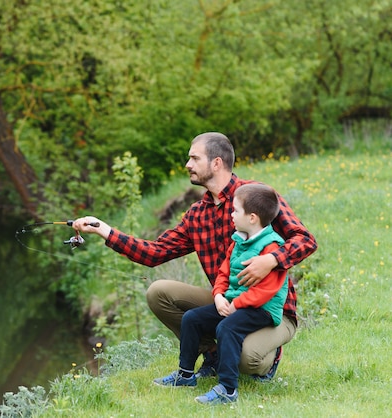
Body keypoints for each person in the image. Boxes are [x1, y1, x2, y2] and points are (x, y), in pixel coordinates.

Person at [72, 132, 317, 382]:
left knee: (247, 360)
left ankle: (269, 357)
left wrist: (271, 260)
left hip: (270, 311)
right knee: (158, 292)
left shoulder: (256, 197)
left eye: (194, 158)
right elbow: (154, 253)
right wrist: (104, 230)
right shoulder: (196, 216)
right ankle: (212, 353)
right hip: (227, 301)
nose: (187, 164)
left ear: (216, 163)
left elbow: (305, 240)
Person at [154, 183, 289, 405]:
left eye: (236, 210)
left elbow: (266, 291)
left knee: (227, 327)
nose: (231, 214)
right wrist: (218, 295)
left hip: (262, 309)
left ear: (253, 217)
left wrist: (237, 305)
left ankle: (227, 389)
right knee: (192, 318)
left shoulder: (272, 247)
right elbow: (224, 273)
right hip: (234, 302)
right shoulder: (238, 240)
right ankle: (185, 375)